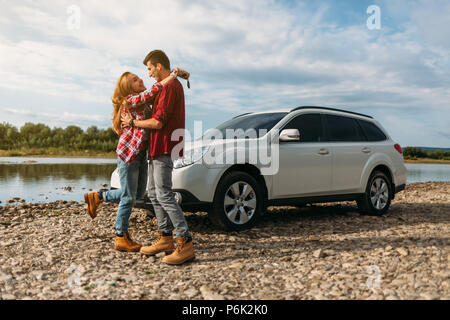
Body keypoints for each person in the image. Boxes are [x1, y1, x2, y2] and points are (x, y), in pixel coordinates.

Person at [84, 68, 189, 252]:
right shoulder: (130, 101)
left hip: (140, 155)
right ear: (128, 87)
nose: (141, 78)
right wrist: (172, 76)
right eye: (135, 79)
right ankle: (121, 236)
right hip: (128, 155)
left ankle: (99, 196)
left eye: (139, 76)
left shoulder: (144, 105)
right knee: (128, 197)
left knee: (138, 193)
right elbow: (153, 90)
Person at [121, 50, 195, 265]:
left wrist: (132, 123)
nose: (149, 73)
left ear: (159, 66)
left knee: (164, 194)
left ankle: (185, 241)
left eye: (150, 68)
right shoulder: (165, 86)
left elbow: (158, 123)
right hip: (157, 147)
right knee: (153, 193)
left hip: (164, 145)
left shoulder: (170, 87)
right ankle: (165, 237)